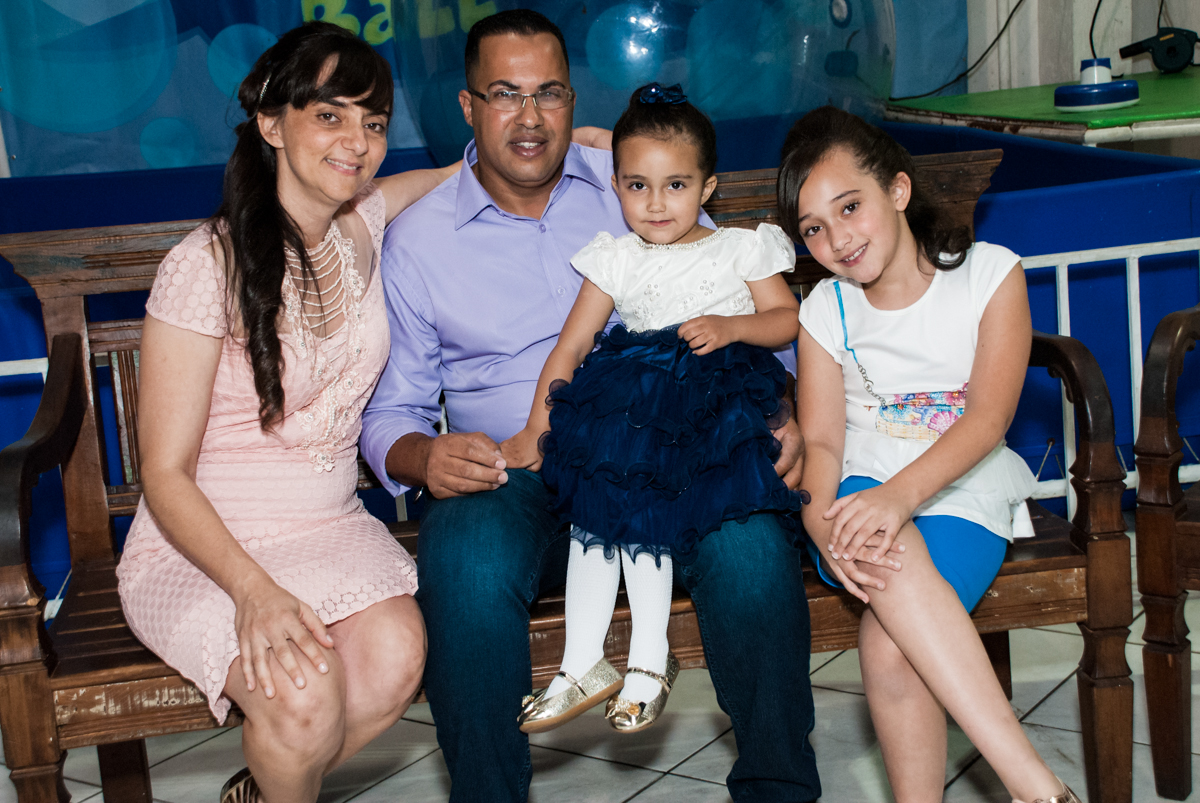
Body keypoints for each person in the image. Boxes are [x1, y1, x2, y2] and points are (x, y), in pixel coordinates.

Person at [360, 10, 821, 802]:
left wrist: (798, 419)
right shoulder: (420, 240)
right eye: (505, 94)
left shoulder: (637, 179)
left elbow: (751, 309)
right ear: (467, 107)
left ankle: (779, 791)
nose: (531, 117)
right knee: (464, 565)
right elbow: (388, 414)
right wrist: (425, 456)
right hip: (521, 466)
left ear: (575, 101)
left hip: (679, 448)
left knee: (751, 553)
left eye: (550, 93)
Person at [117, 22, 460, 803]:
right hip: (206, 547)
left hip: (329, 527)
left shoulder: (360, 225)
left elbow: (450, 176)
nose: (359, 142)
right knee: (302, 696)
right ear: (272, 125)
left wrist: (563, 141)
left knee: (396, 658)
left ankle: (269, 790)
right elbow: (163, 474)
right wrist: (251, 590)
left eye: (374, 123)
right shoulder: (202, 266)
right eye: (331, 115)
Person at [787, 106, 1081, 803]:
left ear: (898, 189)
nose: (838, 238)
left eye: (850, 206)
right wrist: (816, 522)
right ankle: (1037, 787)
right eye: (814, 229)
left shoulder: (989, 274)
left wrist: (902, 497)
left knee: (890, 648)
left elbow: (987, 419)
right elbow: (824, 439)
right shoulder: (824, 310)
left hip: (964, 480)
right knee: (878, 539)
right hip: (858, 480)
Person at [505, 83, 807, 736]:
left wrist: (731, 326)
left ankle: (647, 657)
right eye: (637, 185)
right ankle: (582, 660)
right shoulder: (615, 258)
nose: (656, 202)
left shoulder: (739, 248)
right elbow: (572, 344)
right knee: (598, 514)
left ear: (708, 186)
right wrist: (538, 425)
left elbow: (787, 319)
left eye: (675, 185)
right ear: (615, 187)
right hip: (631, 410)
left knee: (643, 513)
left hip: (709, 414)